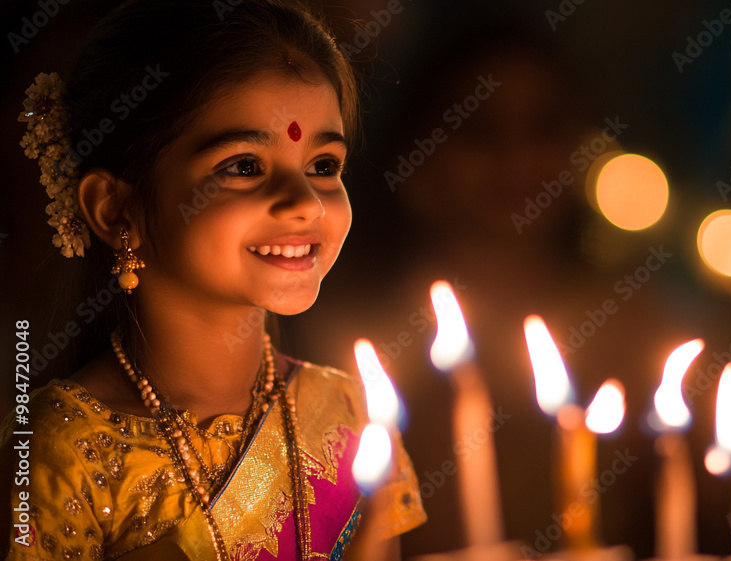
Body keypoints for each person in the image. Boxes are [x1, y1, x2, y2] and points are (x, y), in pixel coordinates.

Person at [2, 0, 425, 559]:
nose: (305, 203)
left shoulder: (352, 414)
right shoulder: (63, 453)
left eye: (323, 166)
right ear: (115, 208)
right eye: (244, 166)